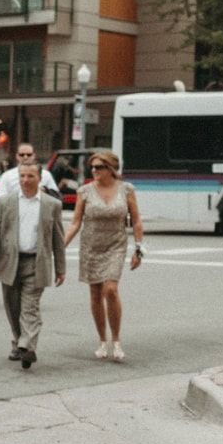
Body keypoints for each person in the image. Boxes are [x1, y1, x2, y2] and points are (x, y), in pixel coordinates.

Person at [0, 161, 65, 370]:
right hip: (10, 260)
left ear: (40, 179)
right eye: (22, 176)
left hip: (36, 262)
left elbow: (58, 238)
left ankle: (28, 347)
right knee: (13, 306)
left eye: (30, 176)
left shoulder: (51, 204)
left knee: (30, 307)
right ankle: (19, 341)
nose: (26, 180)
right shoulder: (6, 202)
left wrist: (61, 268)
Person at [65, 149, 144, 362]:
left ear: (110, 168)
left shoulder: (126, 190)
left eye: (99, 167)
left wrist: (139, 248)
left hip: (116, 245)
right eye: (92, 167)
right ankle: (102, 341)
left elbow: (136, 220)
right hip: (91, 246)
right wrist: (61, 246)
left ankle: (116, 340)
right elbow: (75, 222)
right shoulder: (85, 191)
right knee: (95, 294)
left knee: (110, 289)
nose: (94, 171)